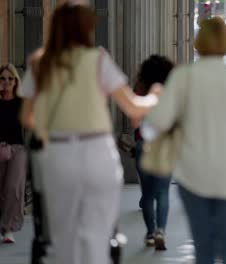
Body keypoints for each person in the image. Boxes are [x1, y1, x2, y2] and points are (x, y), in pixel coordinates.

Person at [19, 4, 158, 264]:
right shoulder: (98, 59)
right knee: (98, 234)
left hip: (57, 154)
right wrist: (154, 97)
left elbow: (27, 117)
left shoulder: (40, 62)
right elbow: (132, 108)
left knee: (62, 236)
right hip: (97, 152)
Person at [144, 17, 226, 264]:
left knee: (203, 249)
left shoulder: (183, 77)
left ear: (197, 43)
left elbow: (158, 122)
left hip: (193, 172)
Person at [134, 55, 174, 250]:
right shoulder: (172, 92)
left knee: (147, 193)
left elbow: (134, 121)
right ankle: (161, 231)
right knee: (163, 191)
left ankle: (150, 233)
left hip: (144, 144)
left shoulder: (141, 90)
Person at [0, 64, 27, 244]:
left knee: (12, 188)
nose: (7, 82)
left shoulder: (22, 102)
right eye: (3, 78)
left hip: (18, 150)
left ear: (16, 81)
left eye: (11, 78)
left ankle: (8, 228)